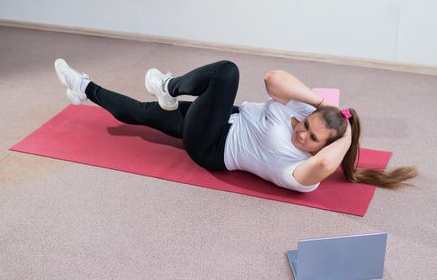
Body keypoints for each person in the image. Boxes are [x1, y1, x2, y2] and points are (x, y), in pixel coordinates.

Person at [54, 59, 417, 192]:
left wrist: (349, 132)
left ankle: (170, 86)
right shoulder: (307, 113)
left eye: (311, 138)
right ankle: (84, 88)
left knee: (226, 73)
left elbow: (325, 164)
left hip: (212, 146)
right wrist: (321, 104)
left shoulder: (305, 173)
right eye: (306, 124)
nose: (302, 133)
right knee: (142, 112)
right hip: (221, 116)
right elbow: (274, 78)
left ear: (323, 147)